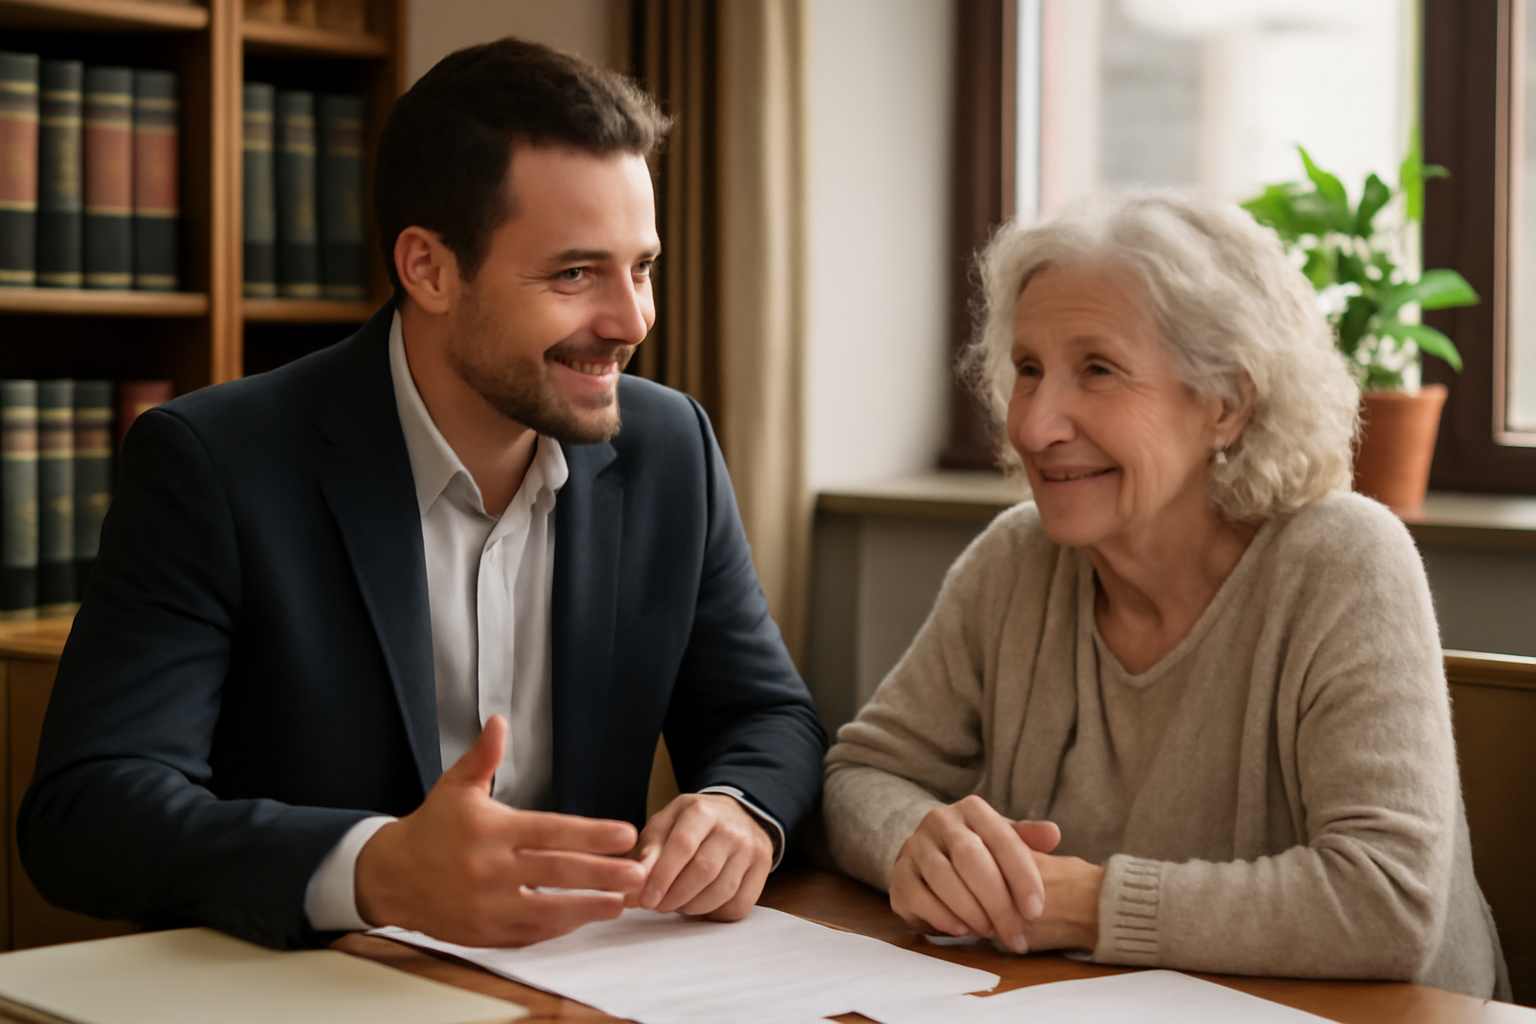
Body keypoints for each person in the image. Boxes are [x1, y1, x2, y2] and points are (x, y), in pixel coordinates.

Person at [18, 38, 826, 952]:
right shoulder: (214, 463)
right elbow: (86, 813)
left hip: (585, 990)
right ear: (429, 269)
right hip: (314, 990)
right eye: (574, 273)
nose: (632, 319)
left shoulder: (671, 446)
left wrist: (736, 808)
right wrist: (374, 869)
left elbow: (771, 717)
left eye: (641, 266)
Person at [822, 190, 1506, 998]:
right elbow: (859, 774)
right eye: (1029, 369)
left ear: (1225, 403)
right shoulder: (1011, 562)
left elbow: (1387, 904)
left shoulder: (1346, 560)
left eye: (1098, 370)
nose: (1036, 424)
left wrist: (1083, 905)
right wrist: (917, 843)